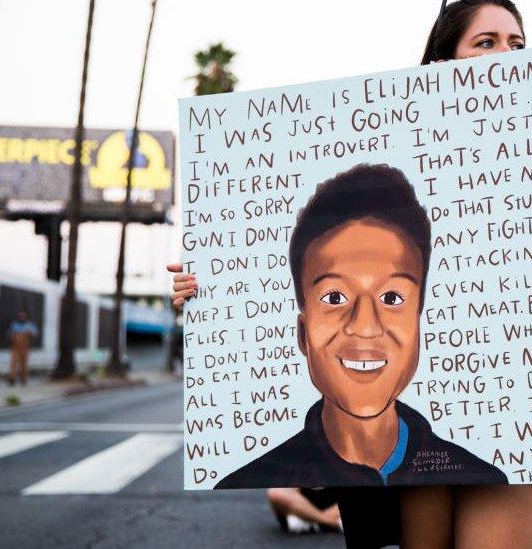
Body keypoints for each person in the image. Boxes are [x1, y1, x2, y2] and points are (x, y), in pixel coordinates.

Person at [170, 1, 532, 546]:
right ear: (446, 61)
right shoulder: (383, 148)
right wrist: (212, 288)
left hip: (511, 408)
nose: (505, 56)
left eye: (517, 44)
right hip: (418, 411)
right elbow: (299, 269)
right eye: (485, 42)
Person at [214, 164, 505, 488]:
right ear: (302, 333)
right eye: (335, 297)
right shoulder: (251, 479)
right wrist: (202, 296)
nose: (365, 326)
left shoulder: (482, 478)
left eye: (392, 297)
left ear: (420, 322)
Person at [267, 487, 342, 535]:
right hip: (302, 505)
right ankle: (332, 523)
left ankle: (311, 522)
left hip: (335, 505)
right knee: (276, 492)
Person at [7, 311, 39, 386]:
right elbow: (9, 334)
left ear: (26, 317)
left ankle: (23, 379)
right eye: (20, 316)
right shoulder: (14, 324)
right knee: (13, 363)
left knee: (24, 364)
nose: (21, 318)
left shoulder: (30, 325)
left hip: (25, 347)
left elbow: (35, 334)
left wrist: (29, 332)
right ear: (18, 317)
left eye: (23, 316)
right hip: (15, 347)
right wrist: (13, 336)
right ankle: (12, 379)